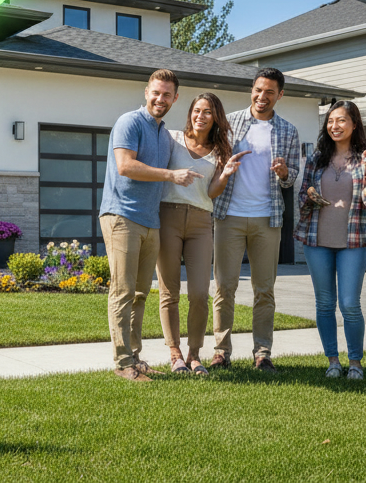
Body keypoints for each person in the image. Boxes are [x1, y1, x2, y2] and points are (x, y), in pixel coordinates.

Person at [100, 69, 204, 382]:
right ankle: (123, 364)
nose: (161, 99)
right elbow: (125, 165)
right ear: (147, 92)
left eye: (167, 94)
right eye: (156, 92)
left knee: (140, 293)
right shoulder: (130, 122)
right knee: (123, 291)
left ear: (175, 98)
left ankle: (135, 358)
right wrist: (171, 175)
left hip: (150, 220)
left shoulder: (164, 135)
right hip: (122, 216)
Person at [209, 67, 301, 373]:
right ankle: (221, 351)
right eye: (258, 90)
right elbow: (213, 161)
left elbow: (292, 177)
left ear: (280, 95)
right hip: (229, 216)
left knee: (264, 290)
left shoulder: (288, 130)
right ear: (252, 90)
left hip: (267, 218)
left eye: (270, 92)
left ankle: (262, 353)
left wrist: (285, 174)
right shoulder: (229, 122)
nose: (262, 97)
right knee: (224, 287)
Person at [156, 92, 246, 375]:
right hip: (168, 216)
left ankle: (194, 354)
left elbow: (212, 192)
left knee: (198, 293)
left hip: (200, 221)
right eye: (197, 110)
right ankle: (175, 353)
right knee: (169, 291)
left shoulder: (220, 150)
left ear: (215, 117)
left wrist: (225, 174)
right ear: (190, 113)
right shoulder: (172, 138)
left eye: (207, 112)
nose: (201, 116)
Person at [296, 101, 366, 379]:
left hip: (353, 241)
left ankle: (355, 362)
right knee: (324, 304)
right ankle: (333, 361)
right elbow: (302, 197)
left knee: (349, 304)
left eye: (341, 120)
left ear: (354, 124)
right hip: (316, 240)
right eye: (331, 121)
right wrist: (310, 197)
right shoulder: (316, 159)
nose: (335, 126)